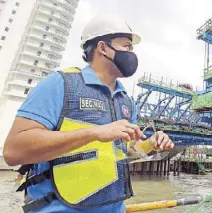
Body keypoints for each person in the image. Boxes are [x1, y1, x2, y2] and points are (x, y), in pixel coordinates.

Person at [3, 14, 174, 213]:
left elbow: (124, 151)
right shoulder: (61, 84)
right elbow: (13, 152)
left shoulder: (126, 102)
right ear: (103, 48)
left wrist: (151, 144)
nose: (131, 54)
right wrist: (94, 133)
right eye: (127, 46)